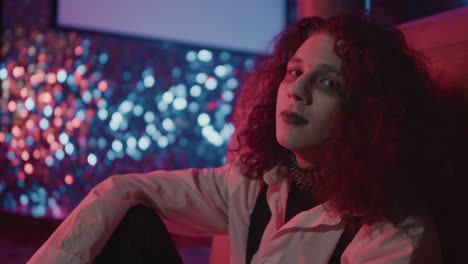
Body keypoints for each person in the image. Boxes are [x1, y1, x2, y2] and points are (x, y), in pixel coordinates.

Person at [28, 11, 465, 263]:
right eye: (294, 72)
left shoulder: (394, 235)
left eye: (328, 83)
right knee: (129, 220)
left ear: (370, 112)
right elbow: (123, 190)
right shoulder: (260, 181)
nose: (297, 90)